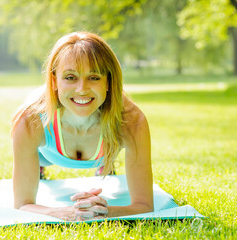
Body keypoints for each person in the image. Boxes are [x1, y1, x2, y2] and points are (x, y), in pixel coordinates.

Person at [11, 32, 153, 221]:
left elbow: (144, 205)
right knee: (41, 161)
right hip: (47, 154)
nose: (82, 89)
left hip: (104, 148)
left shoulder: (132, 122)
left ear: (108, 82)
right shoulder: (30, 120)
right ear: (54, 81)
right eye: (70, 77)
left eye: (94, 77)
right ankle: (39, 168)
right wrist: (61, 213)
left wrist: (105, 211)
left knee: (109, 148)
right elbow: (22, 204)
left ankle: (106, 164)